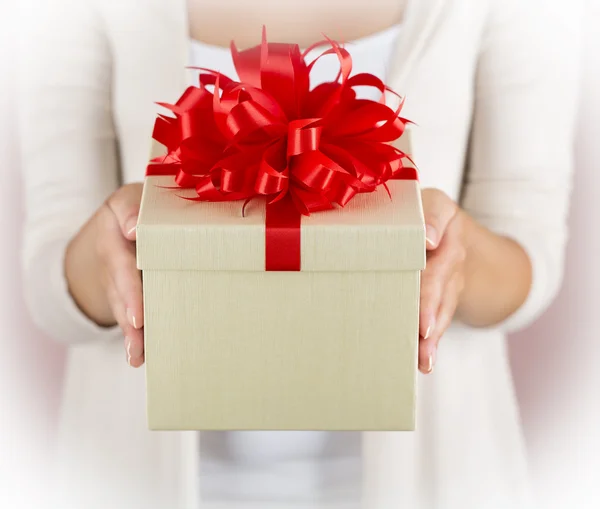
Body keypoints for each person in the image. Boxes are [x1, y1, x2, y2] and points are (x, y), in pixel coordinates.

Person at [17, 0, 581, 508]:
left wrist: (459, 261)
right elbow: (49, 268)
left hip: (441, 479)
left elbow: (530, 250)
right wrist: (107, 258)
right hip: (126, 477)